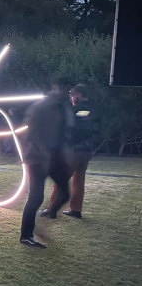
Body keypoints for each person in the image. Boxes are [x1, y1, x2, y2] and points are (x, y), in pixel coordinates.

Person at [19, 90, 74, 248]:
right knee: (36, 196)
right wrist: (41, 154)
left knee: (65, 193)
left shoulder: (62, 107)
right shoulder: (44, 107)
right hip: (38, 158)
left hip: (53, 158)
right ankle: (26, 235)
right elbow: (32, 133)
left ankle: (45, 217)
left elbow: (63, 134)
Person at [39, 85, 99, 220]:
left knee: (61, 179)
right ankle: (76, 210)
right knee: (79, 180)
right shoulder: (93, 108)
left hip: (75, 150)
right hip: (87, 150)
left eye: (72, 95)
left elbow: (72, 127)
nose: (71, 98)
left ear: (77, 95)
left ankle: (52, 210)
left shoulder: (77, 109)